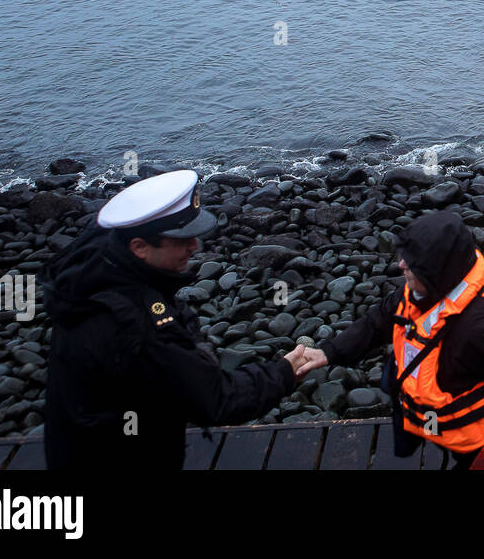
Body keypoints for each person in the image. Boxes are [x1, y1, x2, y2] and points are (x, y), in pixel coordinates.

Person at [41, 170, 306, 469]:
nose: (194, 246)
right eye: (180, 240)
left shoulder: (92, 269)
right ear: (140, 247)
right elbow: (217, 400)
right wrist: (285, 371)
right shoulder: (135, 323)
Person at [294, 210, 484, 469]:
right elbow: (379, 319)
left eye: (414, 262)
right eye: (404, 255)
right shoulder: (424, 290)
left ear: (439, 272)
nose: (402, 265)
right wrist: (328, 353)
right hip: (446, 419)